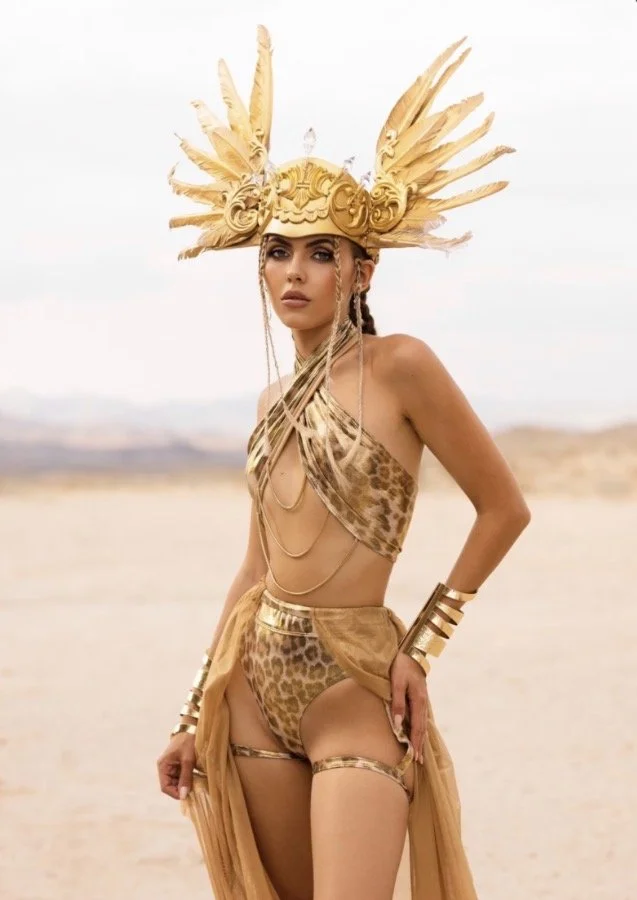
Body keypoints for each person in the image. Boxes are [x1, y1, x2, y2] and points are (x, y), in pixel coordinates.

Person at [157, 25, 530, 900]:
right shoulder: (265, 403)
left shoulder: (401, 366)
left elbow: (503, 508)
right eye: (278, 251)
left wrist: (424, 646)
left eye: (321, 252)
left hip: (356, 680)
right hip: (254, 681)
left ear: (360, 271)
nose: (294, 273)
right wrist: (189, 713)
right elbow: (254, 566)